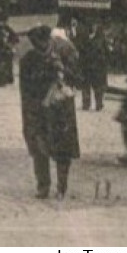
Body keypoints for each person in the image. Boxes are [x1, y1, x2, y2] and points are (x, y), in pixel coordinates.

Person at [19, 25, 80, 199]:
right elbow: (26, 89)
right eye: (36, 43)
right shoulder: (28, 60)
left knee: (62, 150)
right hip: (37, 111)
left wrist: (62, 71)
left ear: (48, 40)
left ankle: (62, 187)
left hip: (60, 111)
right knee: (39, 150)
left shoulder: (64, 54)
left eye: (42, 42)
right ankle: (43, 186)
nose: (40, 46)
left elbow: (77, 78)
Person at [76, 21, 111, 111]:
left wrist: (105, 63)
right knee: (85, 85)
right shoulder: (84, 37)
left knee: (98, 86)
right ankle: (86, 104)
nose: (93, 27)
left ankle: (99, 104)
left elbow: (107, 52)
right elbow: (80, 50)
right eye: (92, 26)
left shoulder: (101, 38)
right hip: (86, 65)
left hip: (98, 66)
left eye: (95, 26)